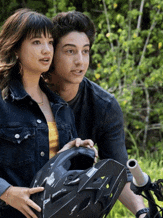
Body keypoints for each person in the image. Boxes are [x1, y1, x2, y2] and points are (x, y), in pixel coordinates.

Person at [0, 8, 96, 218]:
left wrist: (72, 151)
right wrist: (7, 193)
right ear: (16, 48)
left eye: (50, 42)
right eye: (37, 42)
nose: (47, 50)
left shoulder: (60, 106)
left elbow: (62, 172)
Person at [46, 11, 147, 218]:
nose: (80, 61)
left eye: (85, 51)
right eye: (70, 51)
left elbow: (120, 174)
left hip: (75, 207)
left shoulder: (104, 106)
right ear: (51, 53)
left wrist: (142, 212)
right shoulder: (28, 96)